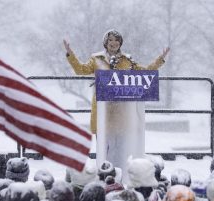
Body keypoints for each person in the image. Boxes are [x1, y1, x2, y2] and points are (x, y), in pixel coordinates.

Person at [63, 29, 170, 178]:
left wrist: (161, 59)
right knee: (104, 150)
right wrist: (70, 53)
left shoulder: (127, 60)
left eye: (116, 40)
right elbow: (80, 69)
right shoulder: (97, 59)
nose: (113, 43)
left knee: (121, 149)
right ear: (105, 42)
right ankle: (104, 176)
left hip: (122, 113)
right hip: (102, 113)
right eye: (110, 40)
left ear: (120, 43)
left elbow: (144, 72)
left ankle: (121, 177)